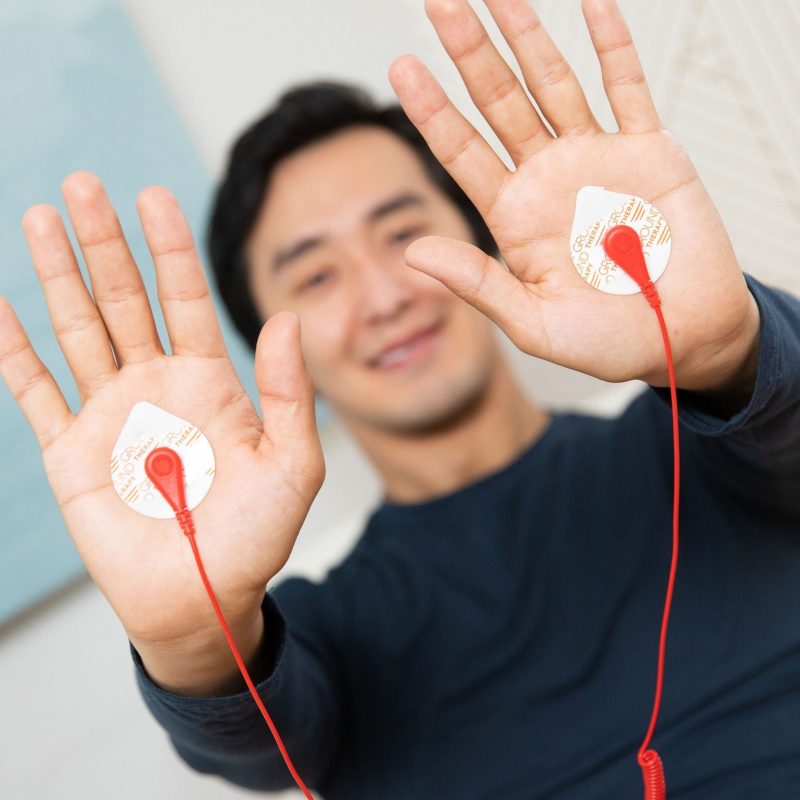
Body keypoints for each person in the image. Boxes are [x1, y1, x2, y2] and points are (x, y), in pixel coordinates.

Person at [1, 0, 798, 797]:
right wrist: (193, 637)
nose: (383, 296)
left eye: (402, 233)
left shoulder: (705, 450)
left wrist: (727, 349)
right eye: (315, 275)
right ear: (273, 344)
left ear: (486, 238)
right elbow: (256, 744)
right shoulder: (327, 631)